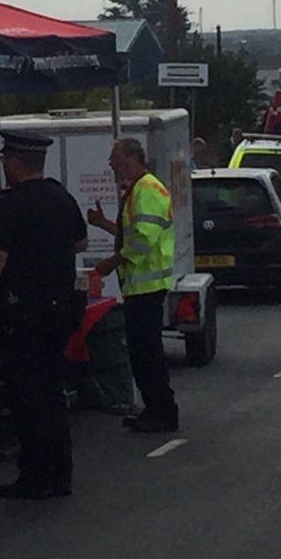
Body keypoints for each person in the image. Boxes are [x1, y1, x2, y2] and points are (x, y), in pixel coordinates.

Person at [0, 133, 87, 499]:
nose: (3, 165)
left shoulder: (9, 205)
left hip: (24, 313)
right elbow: (80, 242)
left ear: (15, 162)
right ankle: (61, 471)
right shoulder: (60, 197)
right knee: (52, 390)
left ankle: (36, 474)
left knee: (27, 395)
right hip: (61, 310)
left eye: (5, 159)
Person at [89, 136, 179, 435]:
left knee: (147, 353)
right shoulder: (139, 189)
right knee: (142, 353)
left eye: (115, 157)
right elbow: (134, 235)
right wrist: (104, 224)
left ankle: (163, 412)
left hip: (146, 287)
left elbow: (141, 242)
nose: (111, 163)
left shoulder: (148, 190)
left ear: (131, 157)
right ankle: (154, 409)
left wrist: (110, 264)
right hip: (139, 287)